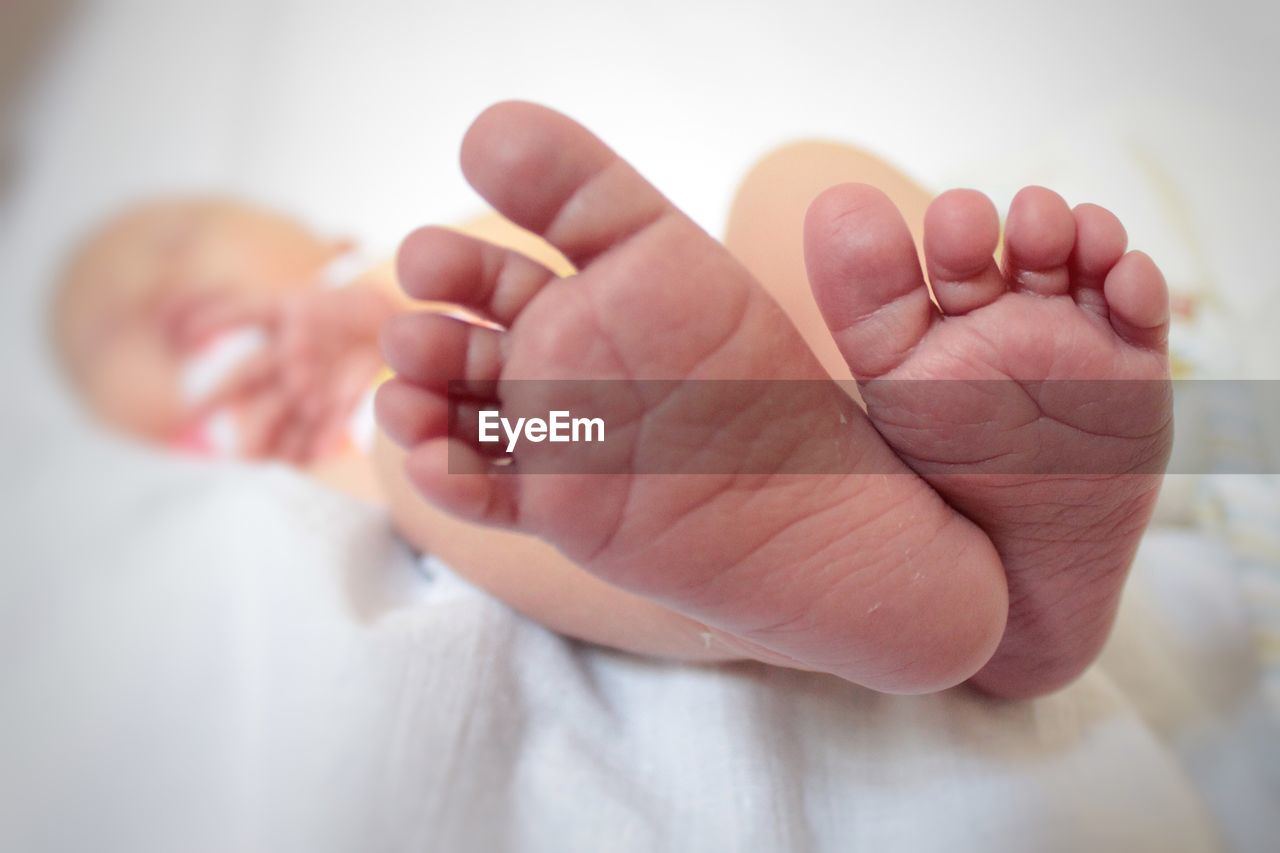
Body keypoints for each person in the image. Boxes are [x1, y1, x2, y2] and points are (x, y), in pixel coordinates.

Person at [53, 100, 1171, 700]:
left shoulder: (392, 274)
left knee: (800, 186)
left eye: (178, 240)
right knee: (436, 449)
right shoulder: (259, 496)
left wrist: (370, 304)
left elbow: (550, 290)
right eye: (114, 339)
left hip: (780, 396)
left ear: (323, 241)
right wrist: (309, 452)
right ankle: (809, 596)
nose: (156, 294)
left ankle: (957, 481)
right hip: (573, 458)